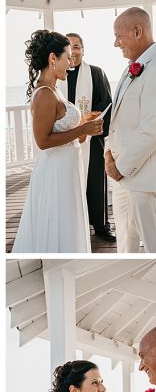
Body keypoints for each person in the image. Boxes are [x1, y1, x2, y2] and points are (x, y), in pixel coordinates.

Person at [12, 29, 104, 253]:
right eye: (67, 58)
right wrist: (82, 128)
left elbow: (61, 126)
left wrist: (83, 123)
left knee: (67, 220)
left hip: (66, 168)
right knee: (57, 222)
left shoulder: (54, 90)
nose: (71, 64)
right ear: (53, 58)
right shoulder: (44, 94)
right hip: (55, 172)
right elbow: (42, 141)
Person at [105, 7, 156, 253]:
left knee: (154, 246)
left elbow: (154, 130)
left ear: (137, 31)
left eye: (119, 36)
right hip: (122, 176)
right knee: (124, 245)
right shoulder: (132, 67)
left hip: (144, 177)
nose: (116, 43)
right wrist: (109, 153)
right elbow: (120, 121)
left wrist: (121, 167)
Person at [57, 32, 117, 243]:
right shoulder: (57, 75)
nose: (73, 52)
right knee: (68, 184)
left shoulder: (95, 73)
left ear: (83, 49)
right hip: (65, 141)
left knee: (95, 183)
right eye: (69, 47)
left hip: (91, 140)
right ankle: (71, 225)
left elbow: (106, 105)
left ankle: (101, 225)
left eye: (77, 47)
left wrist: (89, 124)